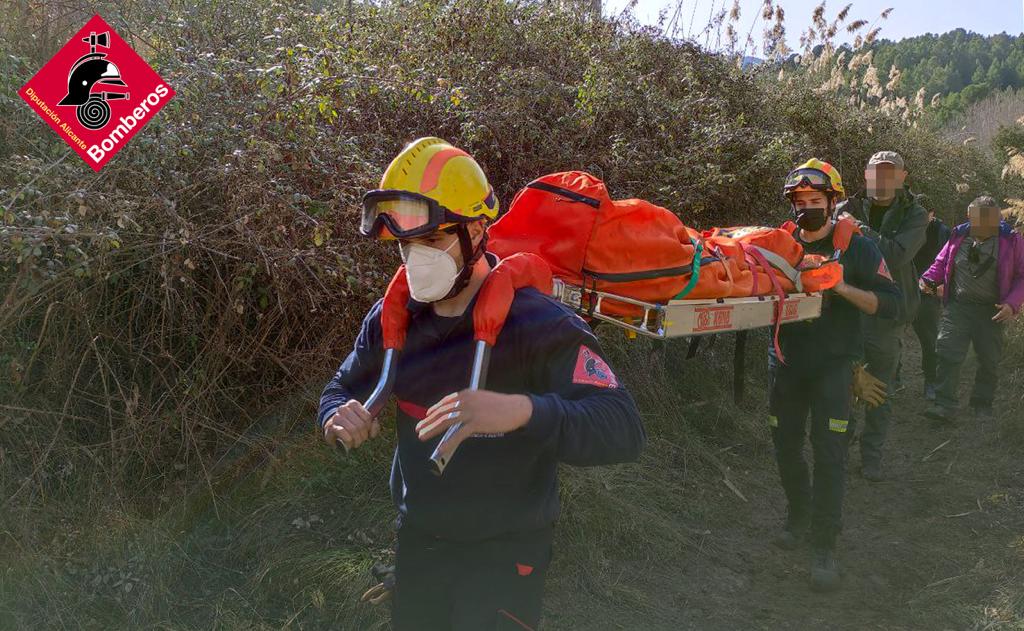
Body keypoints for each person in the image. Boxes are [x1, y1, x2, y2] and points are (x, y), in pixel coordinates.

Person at [318, 137, 646, 630]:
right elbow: (338, 389)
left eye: (431, 241)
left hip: (507, 552)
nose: (415, 259)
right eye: (405, 245)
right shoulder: (393, 321)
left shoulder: (538, 324)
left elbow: (622, 428)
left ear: (475, 230)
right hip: (420, 541)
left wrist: (521, 411)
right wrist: (335, 415)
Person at [770, 159, 900, 592]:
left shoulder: (858, 248)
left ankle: (823, 545)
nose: (807, 208)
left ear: (832, 200)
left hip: (834, 369)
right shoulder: (780, 243)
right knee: (786, 446)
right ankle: (798, 515)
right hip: (786, 364)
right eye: (800, 201)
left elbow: (892, 304)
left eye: (815, 200)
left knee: (830, 455)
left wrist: (841, 286)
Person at [837, 151, 927, 481]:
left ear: (903, 177)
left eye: (891, 173)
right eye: (877, 172)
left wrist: (858, 230)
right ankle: (839, 449)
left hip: (887, 313)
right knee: (844, 383)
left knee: (879, 387)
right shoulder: (843, 208)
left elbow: (896, 255)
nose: (883, 179)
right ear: (866, 175)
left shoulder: (915, 214)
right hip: (846, 310)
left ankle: (871, 454)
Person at [920, 196, 1024, 421]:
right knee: (947, 352)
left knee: (989, 359)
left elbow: (1021, 276)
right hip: (959, 306)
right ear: (970, 216)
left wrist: (1011, 304)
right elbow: (941, 261)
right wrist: (928, 279)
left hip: (992, 310)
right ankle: (944, 405)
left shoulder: (1011, 240)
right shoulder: (959, 235)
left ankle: (982, 403)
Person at [910, 204, 951, 401]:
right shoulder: (906, 226)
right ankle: (894, 378)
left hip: (928, 291)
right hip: (903, 289)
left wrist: (940, 288)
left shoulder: (941, 232)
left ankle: (931, 381)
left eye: (924, 215)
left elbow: (948, 262)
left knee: (928, 339)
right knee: (891, 336)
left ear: (932, 214)